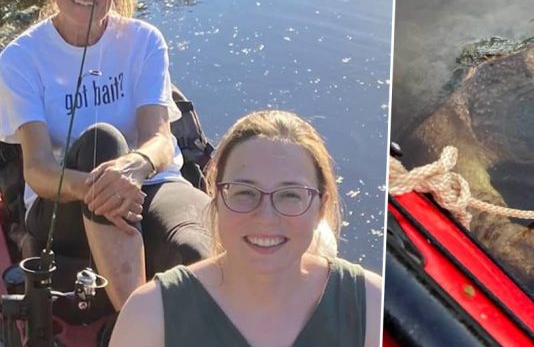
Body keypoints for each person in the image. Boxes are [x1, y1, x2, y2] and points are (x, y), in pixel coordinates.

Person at [0, 0, 211, 315]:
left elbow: (161, 140)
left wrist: (133, 168)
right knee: (102, 141)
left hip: (149, 187)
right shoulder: (20, 59)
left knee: (196, 248)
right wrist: (100, 185)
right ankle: (137, 323)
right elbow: (39, 170)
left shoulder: (145, 40)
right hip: (63, 204)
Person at [110, 110, 383, 347]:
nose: (265, 217)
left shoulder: (370, 307)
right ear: (216, 199)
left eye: (290, 195)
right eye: (244, 193)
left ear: (320, 208)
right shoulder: (149, 316)